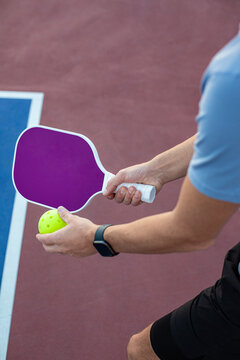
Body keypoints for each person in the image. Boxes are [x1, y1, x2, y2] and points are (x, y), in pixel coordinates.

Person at [36, 27, 240, 360]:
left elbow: (191, 232)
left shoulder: (232, 76)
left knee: (143, 351)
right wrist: (156, 170)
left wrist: (96, 238)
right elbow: (230, 131)